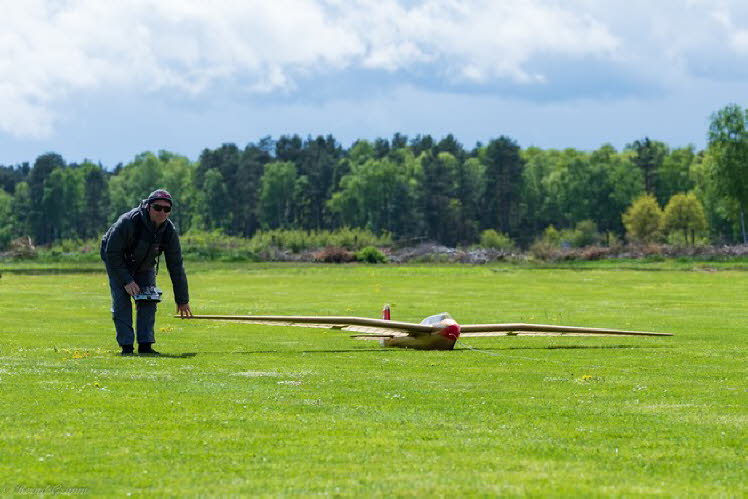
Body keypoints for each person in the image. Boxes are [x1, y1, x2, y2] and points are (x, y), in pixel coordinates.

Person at [101, 189, 193, 355]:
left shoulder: (169, 231)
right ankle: (127, 347)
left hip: (145, 264)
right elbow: (111, 252)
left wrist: (182, 299)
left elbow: (176, 266)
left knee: (149, 299)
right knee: (122, 303)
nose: (162, 212)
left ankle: (146, 345)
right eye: (158, 208)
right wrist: (126, 280)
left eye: (167, 209)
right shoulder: (128, 222)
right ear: (148, 206)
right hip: (117, 261)